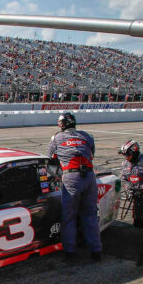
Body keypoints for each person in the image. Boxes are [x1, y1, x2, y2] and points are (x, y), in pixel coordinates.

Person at [47, 112, 102, 262]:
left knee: (69, 216)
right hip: (89, 176)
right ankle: (96, 251)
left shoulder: (57, 138)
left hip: (71, 177)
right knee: (90, 215)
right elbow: (92, 154)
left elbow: (50, 159)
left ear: (61, 124)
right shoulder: (86, 136)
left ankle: (70, 252)